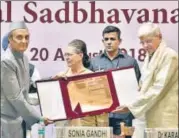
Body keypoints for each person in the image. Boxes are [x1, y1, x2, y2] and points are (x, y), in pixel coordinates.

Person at [112, 22, 178, 128]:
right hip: (148, 113)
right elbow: (143, 86)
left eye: (148, 41)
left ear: (159, 37)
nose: (145, 46)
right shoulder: (149, 56)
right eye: (142, 42)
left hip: (164, 115)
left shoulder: (170, 56)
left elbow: (158, 88)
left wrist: (132, 106)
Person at [1, 21, 53, 138]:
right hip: (6, 121)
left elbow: (27, 85)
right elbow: (15, 97)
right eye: (19, 37)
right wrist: (38, 118)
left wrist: (52, 80)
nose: (24, 41)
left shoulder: (23, 57)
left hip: (19, 119)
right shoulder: (6, 61)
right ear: (10, 39)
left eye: (27, 37)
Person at [89, 25, 141, 137]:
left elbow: (137, 89)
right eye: (106, 39)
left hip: (124, 115)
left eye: (112, 39)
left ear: (119, 41)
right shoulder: (94, 62)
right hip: (102, 116)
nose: (109, 42)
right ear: (102, 41)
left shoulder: (130, 62)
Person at [54, 39, 107, 127]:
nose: (67, 58)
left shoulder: (93, 78)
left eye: (70, 55)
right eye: (65, 55)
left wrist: (103, 132)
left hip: (88, 131)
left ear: (80, 55)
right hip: (65, 130)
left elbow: (102, 112)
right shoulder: (61, 77)